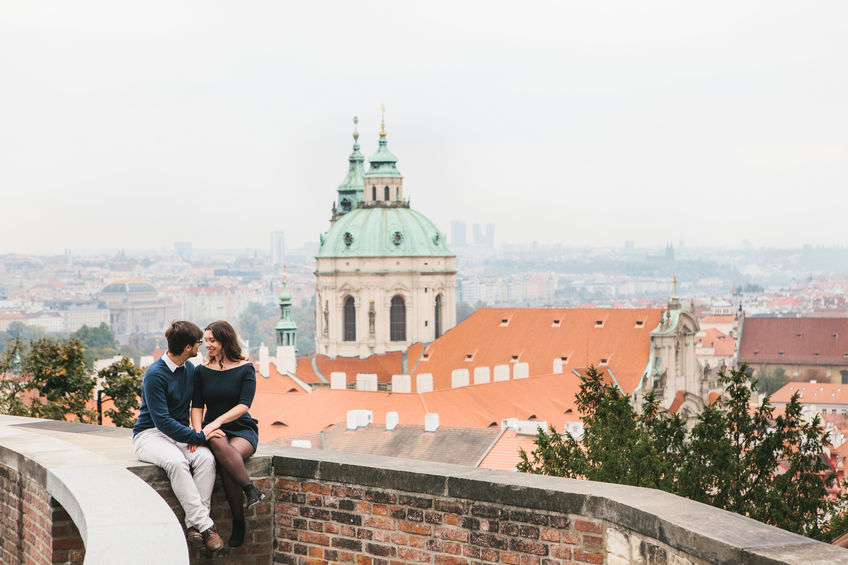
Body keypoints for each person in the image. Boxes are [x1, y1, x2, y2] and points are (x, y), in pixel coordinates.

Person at [133, 320, 225, 552]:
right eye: (197, 343)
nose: (200, 347)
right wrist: (197, 436)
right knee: (176, 462)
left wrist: (193, 435)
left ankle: (194, 526)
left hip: (178, 432)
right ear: (187, 348)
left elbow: (195, 405)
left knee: (206, 459)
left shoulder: (189, 369)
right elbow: (161, 421)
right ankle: (206, 527)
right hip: (150, 434)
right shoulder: (154, 374)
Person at [191, 320, 264, 548]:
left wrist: (218, 421)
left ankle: (240, 519)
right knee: (222, 449)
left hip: (241, 427)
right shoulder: (201, 371)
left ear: (225, 340)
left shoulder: (245, 368)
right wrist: (197, 433)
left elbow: (245, 405)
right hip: (214, 430)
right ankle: (250, 492)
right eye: (206, 341)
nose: (208, 345)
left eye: (213, 340)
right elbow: (196, 406)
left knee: (227, 459)